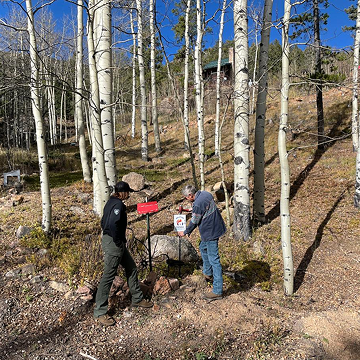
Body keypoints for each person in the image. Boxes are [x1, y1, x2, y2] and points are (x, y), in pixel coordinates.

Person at [94, 181, 153, 326]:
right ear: (123, 192)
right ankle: (100, 312)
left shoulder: (110, 202)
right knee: (108, 276)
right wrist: (117, 240)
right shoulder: (118, 205)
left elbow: (103, 222)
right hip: (115, 244)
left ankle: (137, 298)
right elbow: (112, 224)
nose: (129, 195)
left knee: (131, 268)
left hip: (114, 242)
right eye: (128, 192)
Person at [178, 184, 226, 301]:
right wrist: (189, 209)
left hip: (210, 232)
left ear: (190, 195)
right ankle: (208, 273)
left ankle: (217, 291)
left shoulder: (198, 203)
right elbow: (201, 209)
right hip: (216, 227)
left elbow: (194, 221)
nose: (186, 199)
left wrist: (185, 232)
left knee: (214, 260)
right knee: (203, 248)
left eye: (186, 198)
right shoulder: (206, 194)